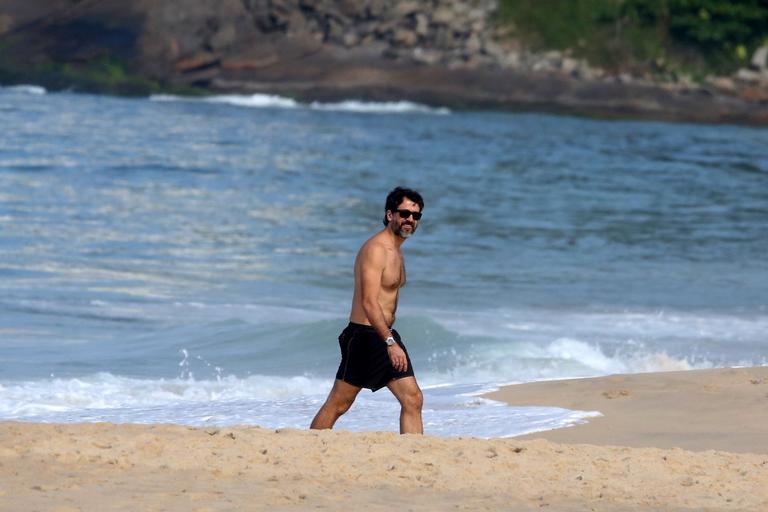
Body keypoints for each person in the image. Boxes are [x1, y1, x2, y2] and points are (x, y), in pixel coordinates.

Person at [310, 186, 425, 434]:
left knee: (412, 398)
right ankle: (308, 444)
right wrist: (390, 341)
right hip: (367, 336)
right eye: (405, 213)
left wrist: (388, 337)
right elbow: (369, 302)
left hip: (381, 333)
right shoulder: (376, 249)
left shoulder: (396, 251)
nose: (410, 220)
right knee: (339, 403)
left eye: (416, 216)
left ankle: (414, 454)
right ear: (389, 214)